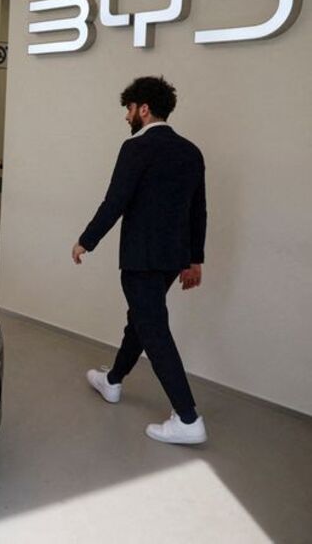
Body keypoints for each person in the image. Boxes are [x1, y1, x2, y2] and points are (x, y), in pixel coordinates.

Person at [72, 76, 207, 445]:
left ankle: (187, 417)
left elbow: (115, 201)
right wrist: (195, 259)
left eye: (128, 109)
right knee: (141, 320)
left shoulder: (136, 148)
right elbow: (199, 210)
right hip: (172, 258)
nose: (126, 117)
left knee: (153, 328)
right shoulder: (191, 151)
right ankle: (112, 380)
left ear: (143, 109)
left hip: (141, 258)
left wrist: (87, 240)